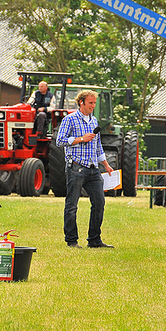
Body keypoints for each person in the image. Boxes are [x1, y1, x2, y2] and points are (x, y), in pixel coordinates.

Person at [56, 90, 114, 249]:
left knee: (99, 203)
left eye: (94, 103)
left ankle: (94, 240)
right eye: (90, 103)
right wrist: (81, 139)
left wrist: (106, 165)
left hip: (93, 168)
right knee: (72, 205)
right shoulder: (70, 120)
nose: (93, 106)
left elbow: (98, 146)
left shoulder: (94, 121)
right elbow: (59, 141)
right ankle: (72, 241)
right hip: (76, 167)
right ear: (81, 102)